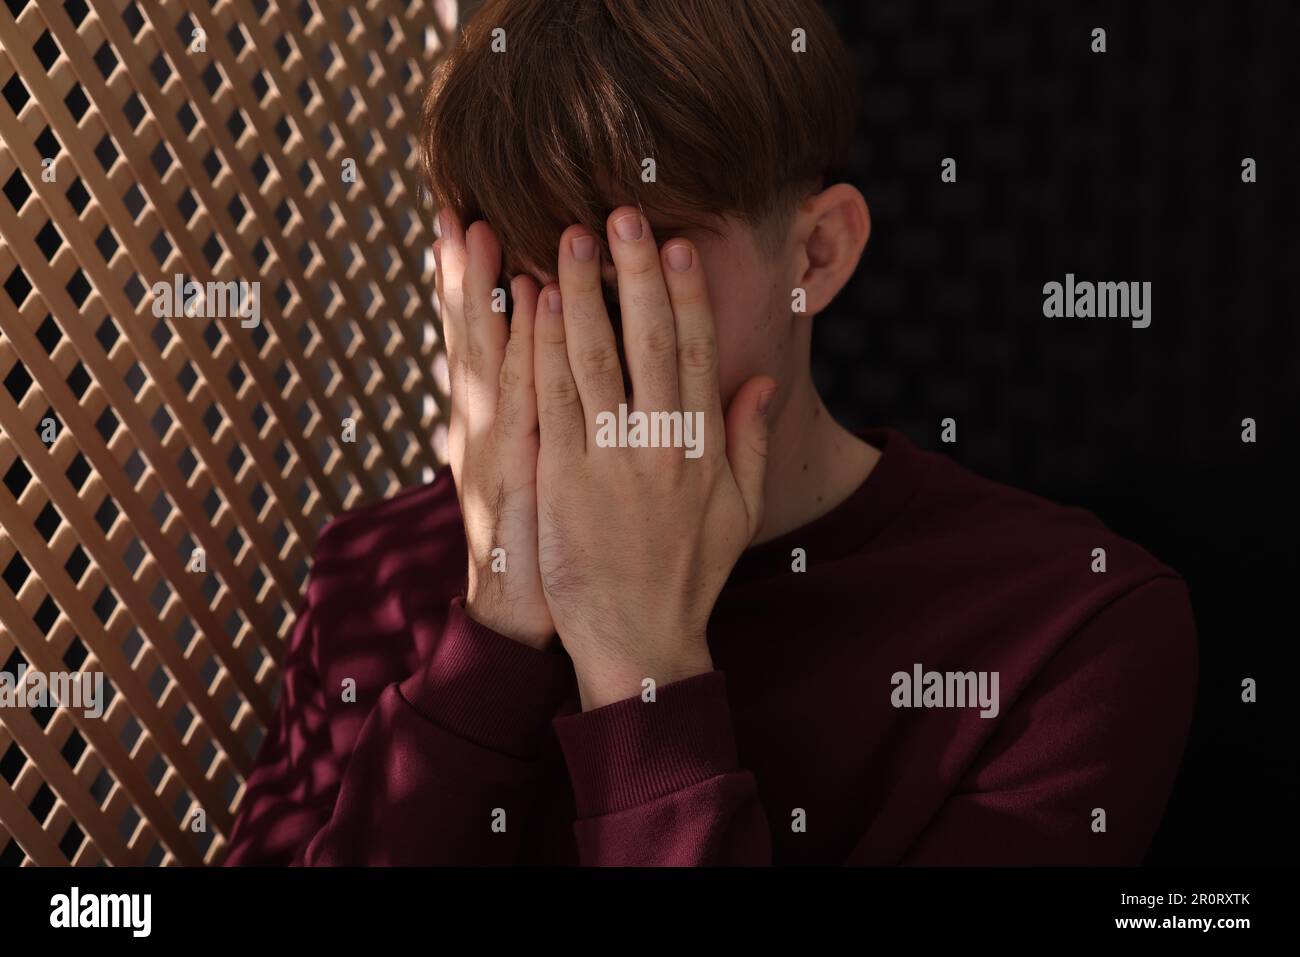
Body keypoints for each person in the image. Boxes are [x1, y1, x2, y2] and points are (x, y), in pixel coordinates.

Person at [225, 0, 1196, 866]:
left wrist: (644, 670)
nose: (573, 357)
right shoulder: (376, 573)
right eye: (517, 292)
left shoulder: (1064, 635)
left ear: (815, 254)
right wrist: (493, 637)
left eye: (619, 289)